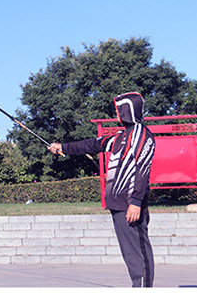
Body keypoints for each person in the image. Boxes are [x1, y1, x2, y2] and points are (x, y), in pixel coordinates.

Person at [48, 92, 156, 287]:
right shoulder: (121, 136)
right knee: (130, 254)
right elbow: (93, 144)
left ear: (128, 110)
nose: (116, 113)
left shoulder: (142, 135)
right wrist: (64, 147)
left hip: (130, 204)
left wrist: (136, 201)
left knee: (138, 252)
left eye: (119, 109)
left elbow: (142, 168)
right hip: (117, 204)